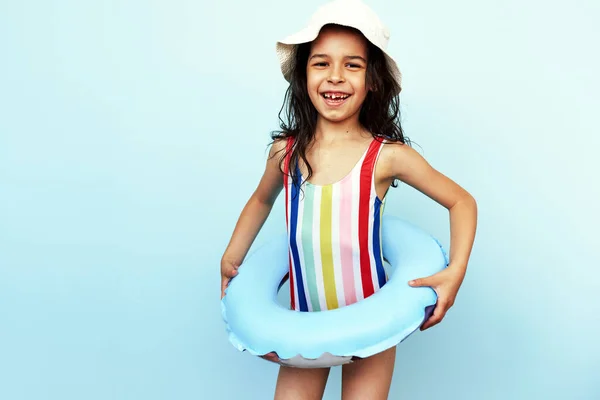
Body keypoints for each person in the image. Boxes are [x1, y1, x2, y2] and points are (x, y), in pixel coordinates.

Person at [220, 0, 477, 398]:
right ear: (303, 75)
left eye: (352, 65)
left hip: (370, 327)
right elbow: (260, 200)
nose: (335, 77)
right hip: (304, 324)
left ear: (372, 79)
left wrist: (455, 272)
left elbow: (461, 201)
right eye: (321, 63)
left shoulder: (386, 158)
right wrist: (232, 257)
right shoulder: (285, 153)